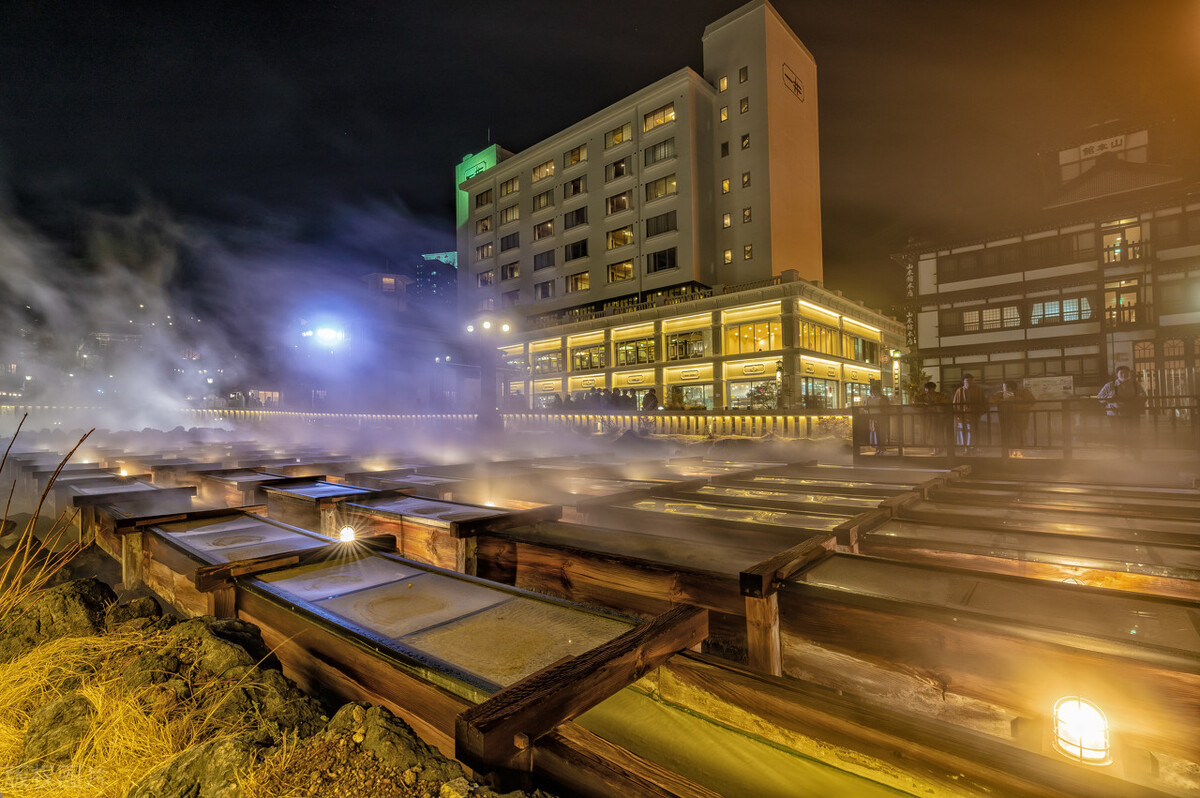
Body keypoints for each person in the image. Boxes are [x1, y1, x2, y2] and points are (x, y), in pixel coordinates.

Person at [1098, 366, 1146, 453]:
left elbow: (1143, 395)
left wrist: (1140, 396)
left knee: (1132, 433)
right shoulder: (1110, 385)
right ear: (1117, 374)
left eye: (1126, 373)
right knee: (1118, 434)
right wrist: (1109, 397)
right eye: (1121, 373)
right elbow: (1100, 397)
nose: (1124, 375)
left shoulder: (1135, 384)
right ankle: (1120, 452)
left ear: (1129, 374)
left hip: (1131, 413)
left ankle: (1133, 451)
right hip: (1115, 414)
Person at [952, 373, 988, 452]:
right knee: (962, 431)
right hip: (962, 414)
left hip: (973, 413)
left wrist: (979, 411)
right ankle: (965, 447)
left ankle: (973, 447)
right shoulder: (959, 390)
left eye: (971, 380)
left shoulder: (978, 390)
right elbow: (955, 403)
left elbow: (983, 401)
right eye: (967, 380)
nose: (969, 382)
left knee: (973, 430)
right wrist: (957, 414)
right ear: (963, 381)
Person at [912, 381, 950, 451]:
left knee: (938, 431)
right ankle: (932, 447)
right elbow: (914, 401)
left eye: (930, 389)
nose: (928, 391)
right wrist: (924, 403)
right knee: (929, 432)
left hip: (938, 417)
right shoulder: (923, 396)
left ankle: (939, 447)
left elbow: (947, 401)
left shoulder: (940, 395)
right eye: (926, 389)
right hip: (927, 417)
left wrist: (935, 403)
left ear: (933, 389)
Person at [864, 386, 890, 454]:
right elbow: (865, 407)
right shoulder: (869, 398)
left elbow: (886, 406)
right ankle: (878, 448)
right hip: (873, 417)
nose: (874, 393)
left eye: (875, 391)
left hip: (881, 417)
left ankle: (882, 448)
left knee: (882, 432)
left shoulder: (883, 398)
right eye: (872, 392)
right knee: (876, 432)